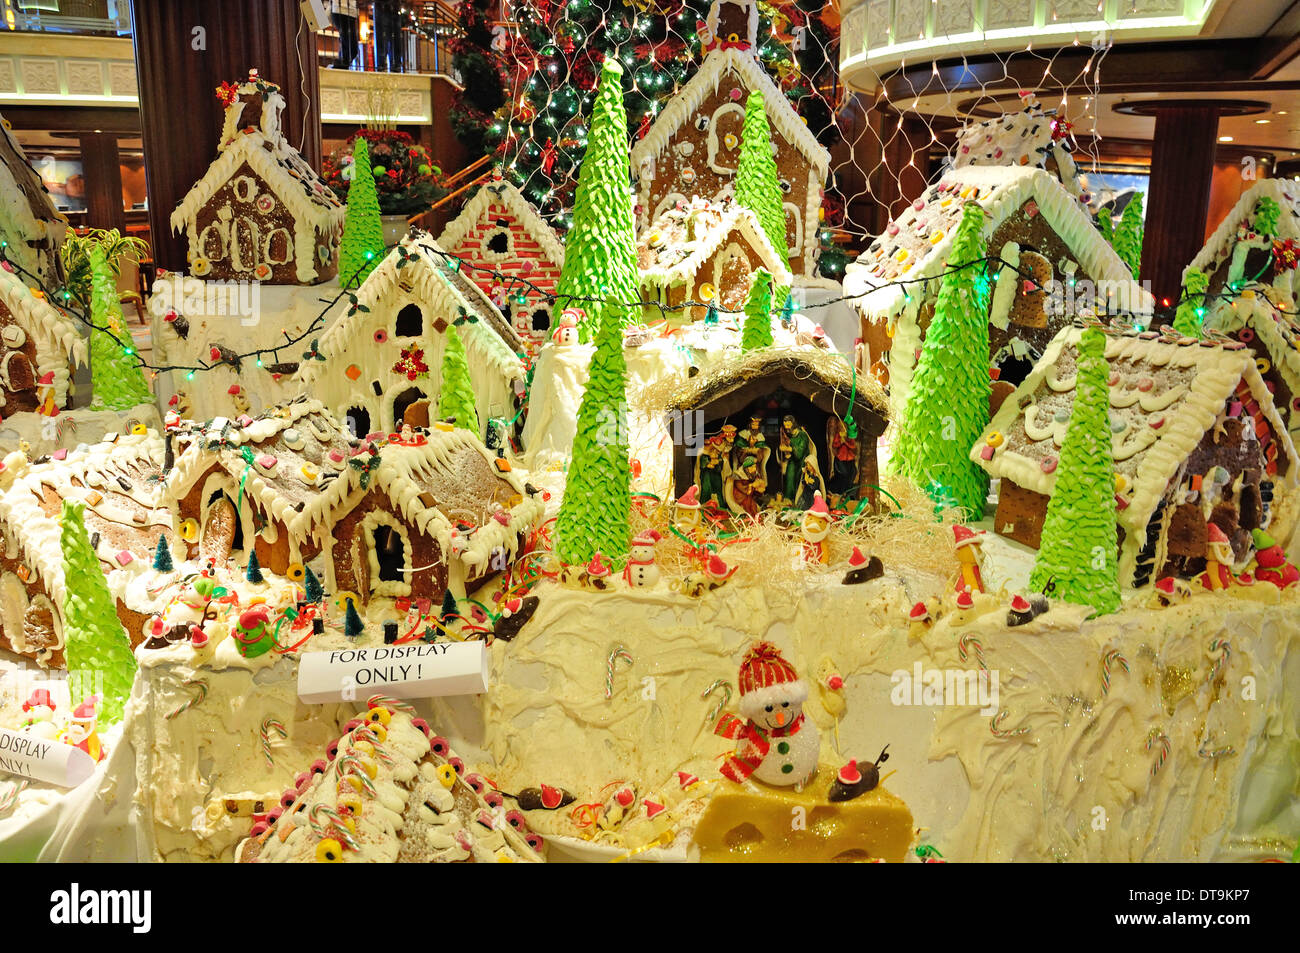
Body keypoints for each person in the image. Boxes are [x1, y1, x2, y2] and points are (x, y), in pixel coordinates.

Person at [330, 1, 360, 70]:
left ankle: (341, 66)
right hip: (341, 10)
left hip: (350, 11)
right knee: (350, 47)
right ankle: (340, 66)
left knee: (349, 46)